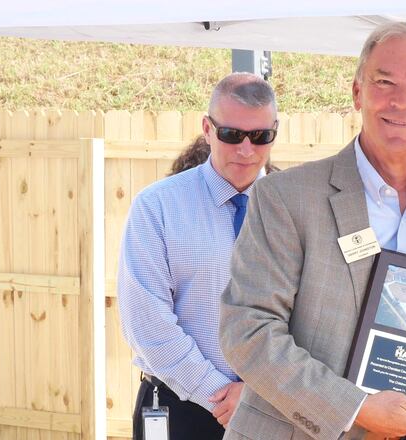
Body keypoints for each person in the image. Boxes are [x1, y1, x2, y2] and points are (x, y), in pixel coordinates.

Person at [220, 22, 406, 440]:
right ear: (357, 92)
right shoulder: (286, 198)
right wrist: (355, 408)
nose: (402, 102)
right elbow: (247, 330)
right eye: (384, 82)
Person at [117, 72, 278, 440]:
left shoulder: (295, 208)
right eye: (232, 134)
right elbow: (147, 324)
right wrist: (222, 396)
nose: (246, 149)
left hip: (273, 410)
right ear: (207, 128)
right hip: (180, 407)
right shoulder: (157, 207)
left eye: (260, 136)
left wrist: (256, 398)